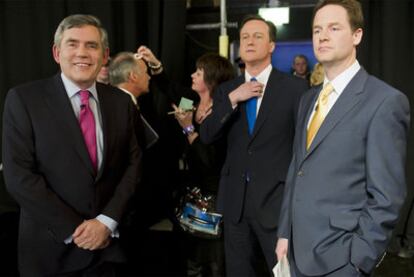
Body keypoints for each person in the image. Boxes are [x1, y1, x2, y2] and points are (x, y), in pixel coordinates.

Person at [276, 1, 410, 276]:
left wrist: (359, 261)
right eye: (317, 30)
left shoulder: (384, 101)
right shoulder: (307, 99)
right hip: (294, 254)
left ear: (357, 35)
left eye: (334, 28)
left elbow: (387, 196)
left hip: (342, 260)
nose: (322, 36)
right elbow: (297, 170)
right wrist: (284, 233)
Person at [2, 14, 142, 276]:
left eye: (92, 45)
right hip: (49, 252)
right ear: (57, 53)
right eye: (72, 44)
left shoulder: (121, 103)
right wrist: (76, 229)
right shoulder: (24, 100)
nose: (82, 53)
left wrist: (106, 222)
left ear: (105, 55)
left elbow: (133, 165)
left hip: (107, 249)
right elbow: (18, 177)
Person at [200, 15, 308, 276]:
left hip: (276, 202)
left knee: (281, 272)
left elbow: (302, 145)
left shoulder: (295, 88)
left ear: (271, 45)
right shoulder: (227, 89)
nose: (250, 41)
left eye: (258, 36)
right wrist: (233, 99)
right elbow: (206, 135)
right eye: (245, 37)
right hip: (235, 203)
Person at [138, 46, 235, 276]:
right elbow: (168, 88)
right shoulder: (190, 100)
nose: (192, 75)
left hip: (214, 195)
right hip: (190, 190)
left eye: (199, 72)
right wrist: (154, 63)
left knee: (210, 259)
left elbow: (209, 161)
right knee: (187, 256)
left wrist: (189, 128)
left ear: (212, 79)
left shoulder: (223, 111)